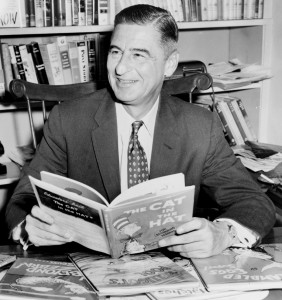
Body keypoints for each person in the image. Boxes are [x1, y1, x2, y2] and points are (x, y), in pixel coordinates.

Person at [5, 4, 275, 258]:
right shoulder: (68, 120)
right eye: (115, 52)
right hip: (88, 263)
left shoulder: (199, 126)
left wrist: (222, 234)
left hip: (172, 266)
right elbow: (22, 199)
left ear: (169, 64)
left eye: (138, 54)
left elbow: (253, 202)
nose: (121, 68)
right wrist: (31, 226)